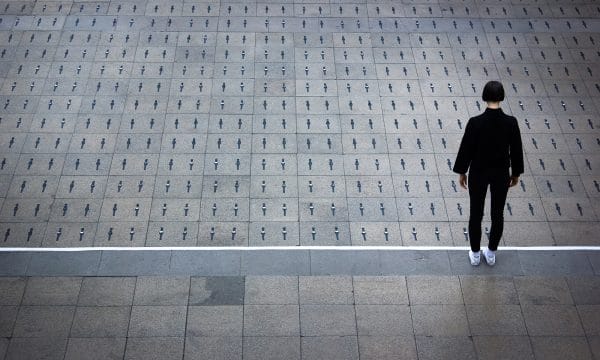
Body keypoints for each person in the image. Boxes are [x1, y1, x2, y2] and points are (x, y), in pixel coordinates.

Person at [453, 81, 524, 266]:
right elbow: (516, 150)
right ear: (502, 97)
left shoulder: (475, 122)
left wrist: (462, 171)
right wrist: (515, 173)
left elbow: (466, 149)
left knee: (476, 213)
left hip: (478, 172)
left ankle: (475, 254)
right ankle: (491, 253)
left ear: (484, 96)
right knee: (497, 213)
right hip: (501, 173)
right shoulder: (511, 122)